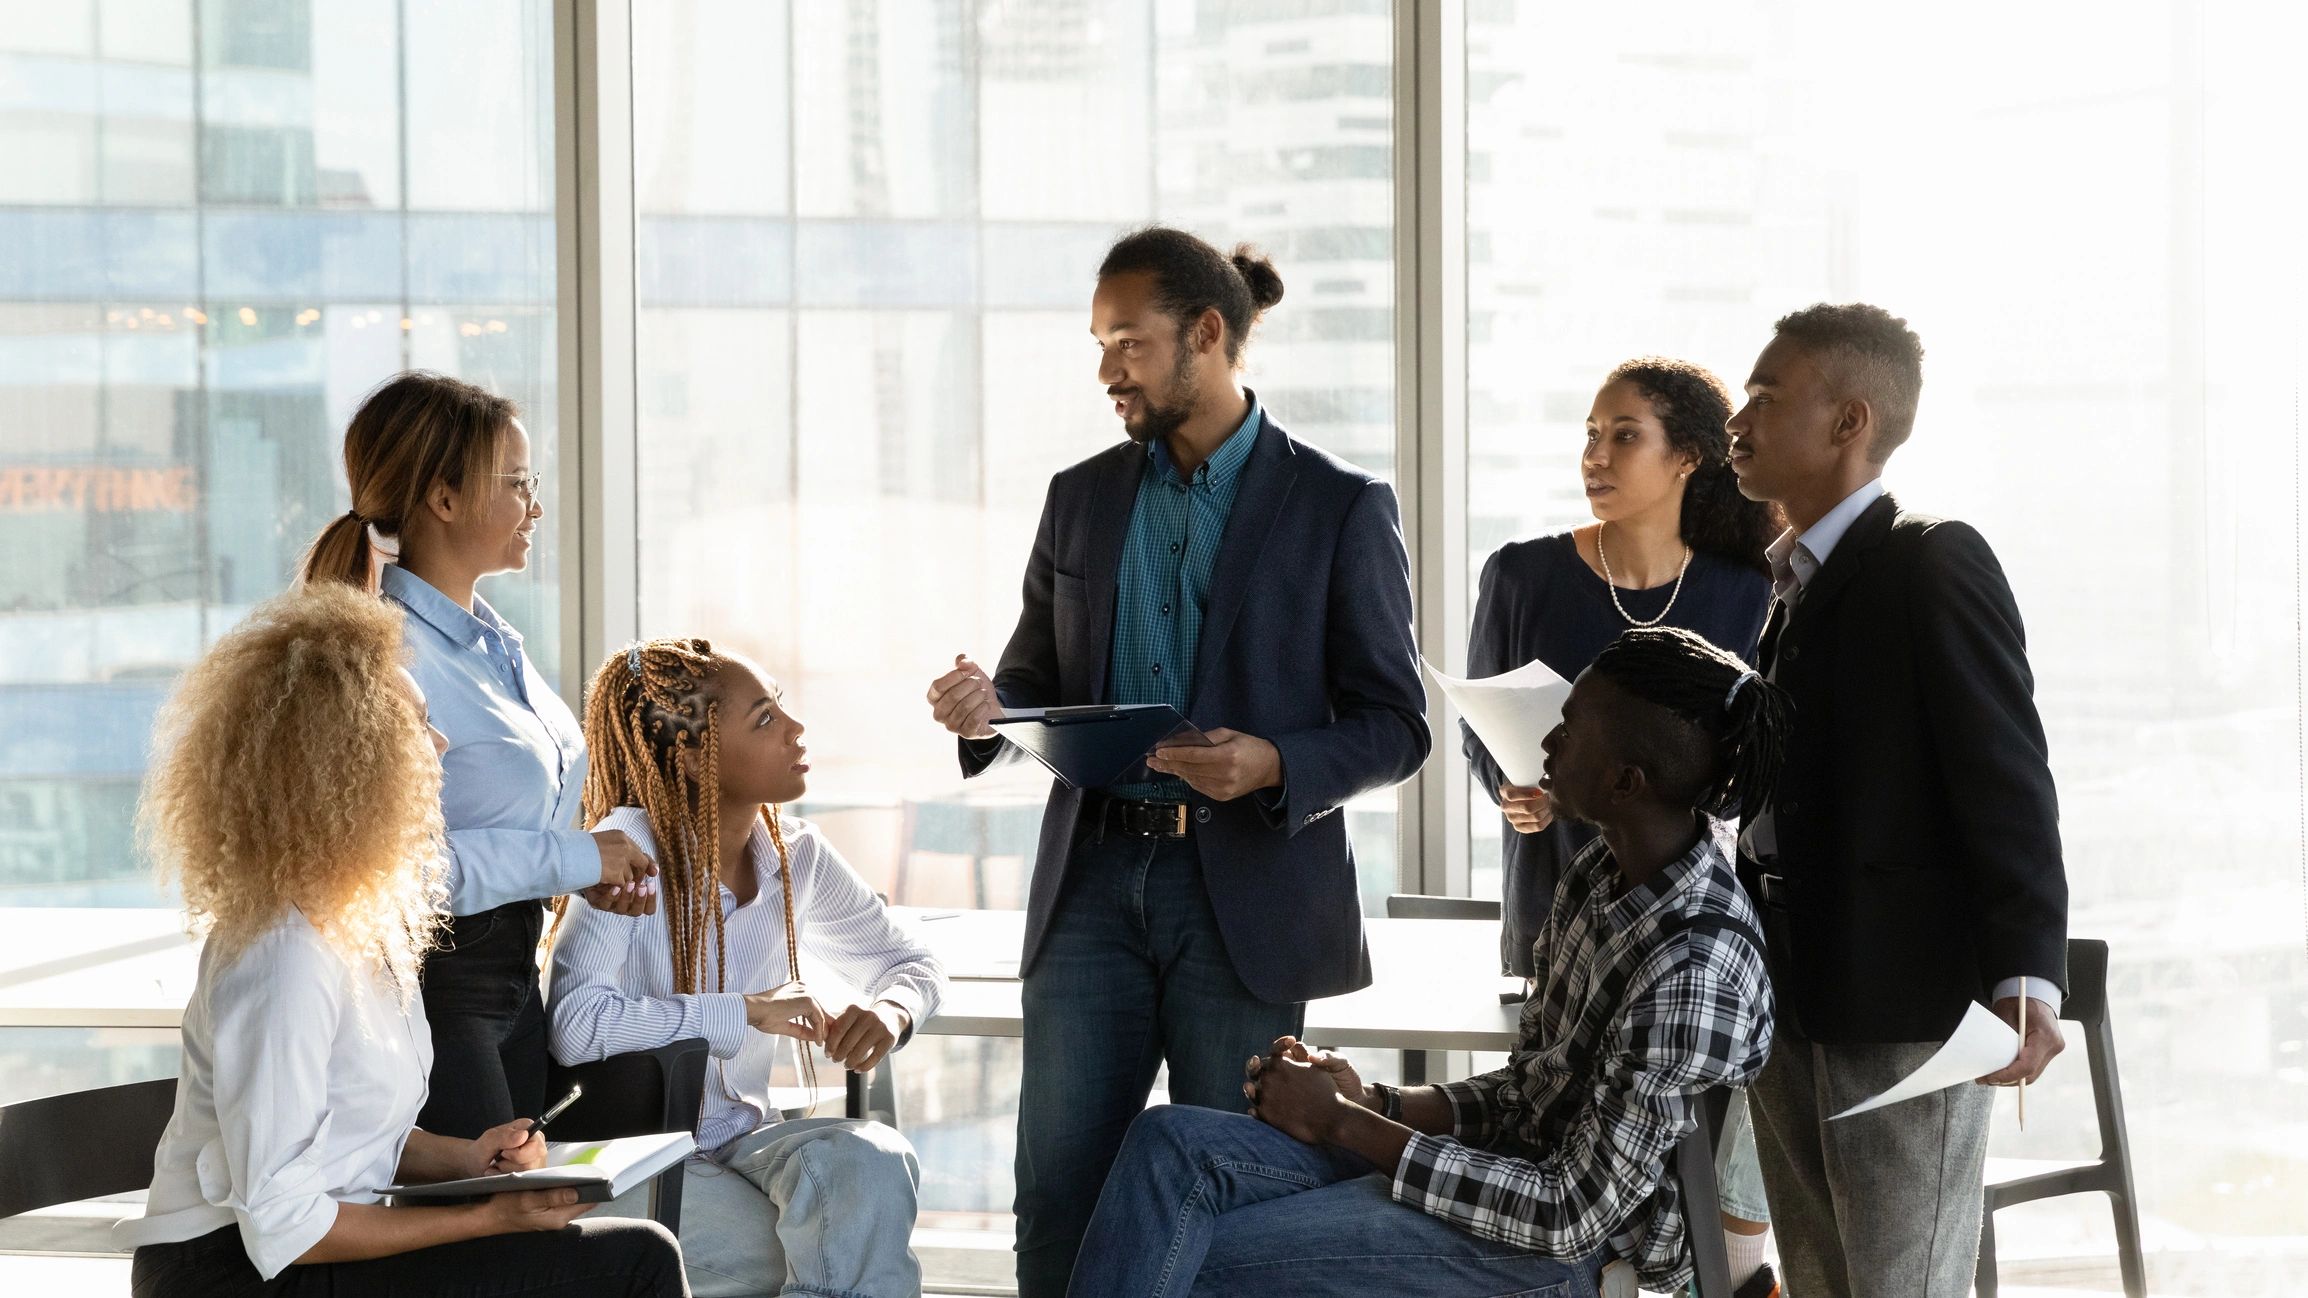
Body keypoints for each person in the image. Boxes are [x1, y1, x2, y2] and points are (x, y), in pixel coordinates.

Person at [923, 226, 1429, 1296]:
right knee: (1057, 1192)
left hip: (1241, 897)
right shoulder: (1081, 495)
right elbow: (1031, 680)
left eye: (1128, 341)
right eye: (1100, 342)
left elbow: (1396, 721)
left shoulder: (1338, 504)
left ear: (1208, 334)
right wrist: (985, 710)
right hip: (1093, 887)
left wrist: (1272, 762)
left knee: (1228, 1200)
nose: (1107, 367)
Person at [1065, 626, 1786, 1297]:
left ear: (1627, 782)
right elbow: (1529, 1094)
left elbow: (1570, 1214)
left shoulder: (1697, 966)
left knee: (1190, 1254)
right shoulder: (1604, 872)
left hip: (1569, 1253)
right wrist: (1376, 1102)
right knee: (1166, 1144)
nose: (1549, 741)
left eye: (1571, 728)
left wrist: (1344, 1125)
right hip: (1510, 1179)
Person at [117, 585, 687, 1297]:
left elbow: (352, 1137)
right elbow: (286, 1226)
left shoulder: (364, 928)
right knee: (634, 1261)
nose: (441, 741)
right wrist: (488, 1220)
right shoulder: (283, 959)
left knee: (618, 1257)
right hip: (235, 1273)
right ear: (344, 761)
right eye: (417, 723)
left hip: (317, 1243)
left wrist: (471, 1160)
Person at [1725, 303, 2068, 1295]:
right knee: (1822, 1276)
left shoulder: (1930, 558)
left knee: (1898, 1280)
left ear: (1849, 420)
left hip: (1903, 1000)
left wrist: (2026, 977)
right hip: (1790, 987)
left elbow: (2006, 776)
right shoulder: (1786, 583)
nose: (1738, 419)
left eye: (1765, 393)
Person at [1464, 356, 1783, 1292]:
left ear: (1688, 457)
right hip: (1553, 905)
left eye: (1623, 436)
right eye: (1591, 435)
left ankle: (1731, 1278)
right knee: (1557, 1140)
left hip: (1692, 928)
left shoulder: (1745, 590)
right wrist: (1512, 788)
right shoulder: (1521, 574)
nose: (1595, 456)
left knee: (1689, 1181)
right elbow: (1487, 728)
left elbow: (1751, 760)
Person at [300, 370, 657, 1140]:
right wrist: (573, 859)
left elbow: (516, 829)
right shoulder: (387, 659)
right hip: (436, 991)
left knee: (524, 1218)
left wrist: (579, 874)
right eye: (519, 482)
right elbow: (402, 876)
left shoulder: (495, 645)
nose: (536, 504)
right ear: (445, 498)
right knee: (491, 1233)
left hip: (514, 981)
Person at [550, 637, 946, 1298]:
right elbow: (574, 1024)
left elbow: (912, 959)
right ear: (696, 757)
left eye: (780, 709)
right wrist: (744, 1012)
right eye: (763, 719)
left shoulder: (795, 856)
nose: (795, 730)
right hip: (630, 1162)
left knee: (873, 1161)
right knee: (842, 1246)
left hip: (741, 1150)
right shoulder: (626, 851)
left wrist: (891, 1011)